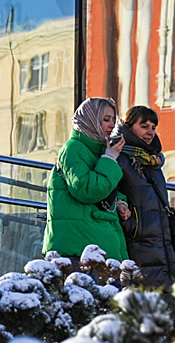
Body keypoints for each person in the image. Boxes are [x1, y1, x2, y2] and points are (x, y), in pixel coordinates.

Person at [111, 106, 175, 288]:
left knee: (167, 304)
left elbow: (164, 209)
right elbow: (111, 194)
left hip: (161, 245)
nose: (150, 132)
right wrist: (129, 221)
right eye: (144, 126)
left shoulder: (152, 161)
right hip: (136, 245)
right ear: (128, 126)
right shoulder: (118, 157)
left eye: (153, 127)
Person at [43, 97, 129, 264]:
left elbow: (105, 188)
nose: (112, 125)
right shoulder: (73, 148)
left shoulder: (99, 150)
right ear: (90, 120)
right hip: (78, 249)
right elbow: (87, 190)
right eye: (105, 120)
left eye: (113, 119)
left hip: (95, 244)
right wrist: (110, 158)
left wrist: (119, 202)